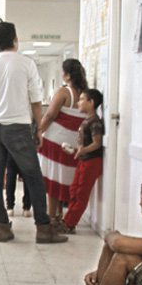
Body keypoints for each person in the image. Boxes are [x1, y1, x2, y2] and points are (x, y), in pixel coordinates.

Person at [0, 21, 66, 244]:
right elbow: (36, 100)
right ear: (15, 39)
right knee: (33, 176)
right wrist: (38, 129)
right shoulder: (26, 63)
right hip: (18, 127)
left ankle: (2, 228)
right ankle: (43, 228)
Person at [38, 59, 88, 225]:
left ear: (67, 75)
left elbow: (50, 115)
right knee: (64, 180)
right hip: (73, 143)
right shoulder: (85, 94)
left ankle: (51, 217)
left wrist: (38, 132)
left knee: (53, 181)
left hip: (55, 141)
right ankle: (59, 214)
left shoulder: (64, 92)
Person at [60, 89, 105, 234]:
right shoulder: (87, 120)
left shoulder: (95, 122)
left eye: (82, 99)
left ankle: (70, 224)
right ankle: (67, 219)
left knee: (81, 194)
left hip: (92, 162)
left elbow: (97, 143)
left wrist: (82, 150)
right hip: (83, 160)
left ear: (91, 103)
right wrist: (76, 150)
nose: (78, 103)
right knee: (74, 190)